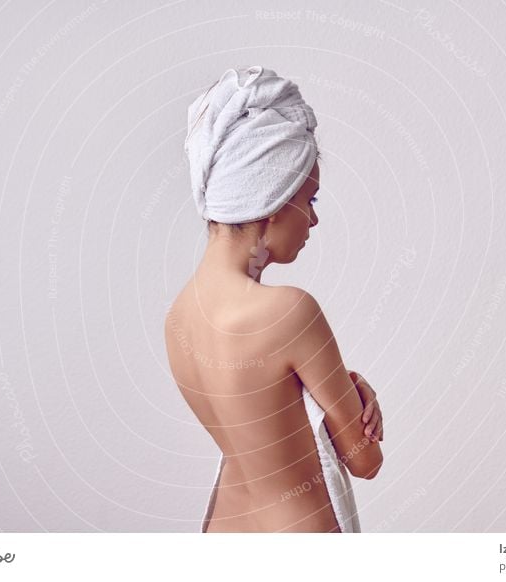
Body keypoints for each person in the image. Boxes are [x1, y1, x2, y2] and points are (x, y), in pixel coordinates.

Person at [164, 65, 384, 533]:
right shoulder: (288, 313)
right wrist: (360, 397)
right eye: (311, 201)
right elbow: (364, 461)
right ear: (273, 196)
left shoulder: (178, 317)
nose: (313, 221)